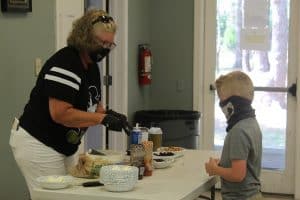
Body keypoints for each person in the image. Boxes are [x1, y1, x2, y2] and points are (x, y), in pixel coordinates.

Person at [9, 9, 131, 196]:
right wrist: (102, 119)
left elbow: (94, 107)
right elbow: (61, 113)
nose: (105, 49)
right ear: (85, 37)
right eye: (101, 43)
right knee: (54, 197)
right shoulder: (66, 63)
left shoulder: (91, 67)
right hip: (39, 143)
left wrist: (110, 115)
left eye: (109, 44)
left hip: (63, 145)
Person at [205, 71, 263, 200]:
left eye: (222, 102)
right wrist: (223, 163)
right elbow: (246, 160)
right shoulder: (252, 124)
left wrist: (215, 169)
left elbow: (237, 175)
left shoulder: (238, 131)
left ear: (232, 104)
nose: (222, 107)